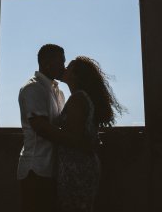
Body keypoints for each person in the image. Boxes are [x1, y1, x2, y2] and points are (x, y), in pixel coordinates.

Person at [32, 55, 124, 212]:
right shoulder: (81, 98)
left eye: (69, 68)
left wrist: (43, 127)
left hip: (77, 166)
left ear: (76, 76)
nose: (64, 69)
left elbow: (73, 139)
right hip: (79, 164)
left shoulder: (78, 99)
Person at [17, 43, 66, 212]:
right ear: (46, 63)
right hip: (36, 169)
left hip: (52, 169)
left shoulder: (58, 92)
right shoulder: (33, 88)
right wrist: (75, 140)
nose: (63, 67)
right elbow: (41, 127)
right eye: (61, 62)